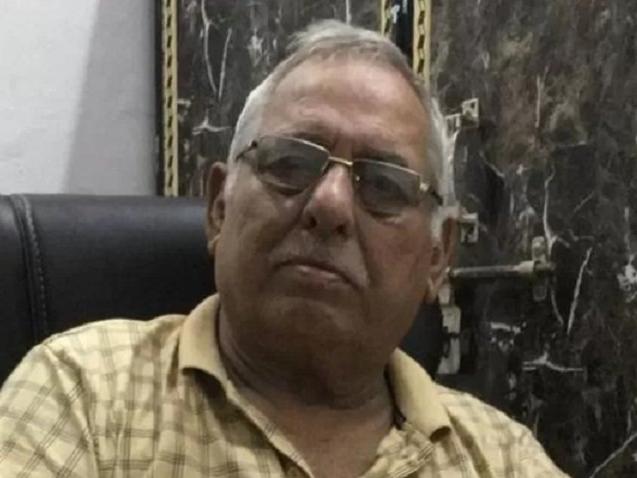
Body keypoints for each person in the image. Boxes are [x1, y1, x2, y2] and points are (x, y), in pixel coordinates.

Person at [0, 20, 567, 478]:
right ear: (219, 206)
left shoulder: (502, 458)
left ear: (437, 257)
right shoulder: (85, 394)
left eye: (384, 185)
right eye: (291, 163)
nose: (331, 204)